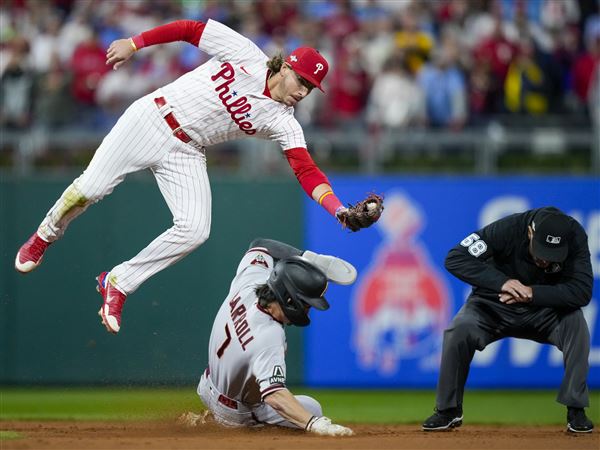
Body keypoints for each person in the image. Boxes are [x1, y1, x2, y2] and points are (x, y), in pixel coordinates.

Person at [14, 18, 374, 335]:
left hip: (187, 150)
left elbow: (305, 169)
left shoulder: (284, 120)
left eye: (310, 87)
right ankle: (44, 235)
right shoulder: (247, 54)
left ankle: (119, 281)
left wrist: (339, 211)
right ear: (285, 67)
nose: (303, 90)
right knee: (91, 188)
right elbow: (190, 29)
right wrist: (135, 43)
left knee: (195, 229)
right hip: (153, 118)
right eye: (302, 79)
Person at [422, 207, 594, 434]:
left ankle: (576, 410)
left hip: (545, 311)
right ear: (530, 233)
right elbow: (455, 258)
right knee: (459, 330)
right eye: (541, 252)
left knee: (577, 325)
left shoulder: (575, 235)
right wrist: (502, 282)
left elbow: (582, 292)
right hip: (491, 306)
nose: (545, 260)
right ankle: (448, 410)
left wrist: (532, 293)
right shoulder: (508, 228)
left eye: (552, 255)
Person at [197, 237, 355, 435]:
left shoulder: (251, 282)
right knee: (311, 409)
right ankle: (237, 429)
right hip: (236, 412)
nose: (309, 310)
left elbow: (260, 244)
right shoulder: (269, 336)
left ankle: (208, 418)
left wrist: (307, 259)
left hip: (207, 384)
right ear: (289, 300)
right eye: (306, 304)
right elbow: (274, 395)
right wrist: (315, 424)